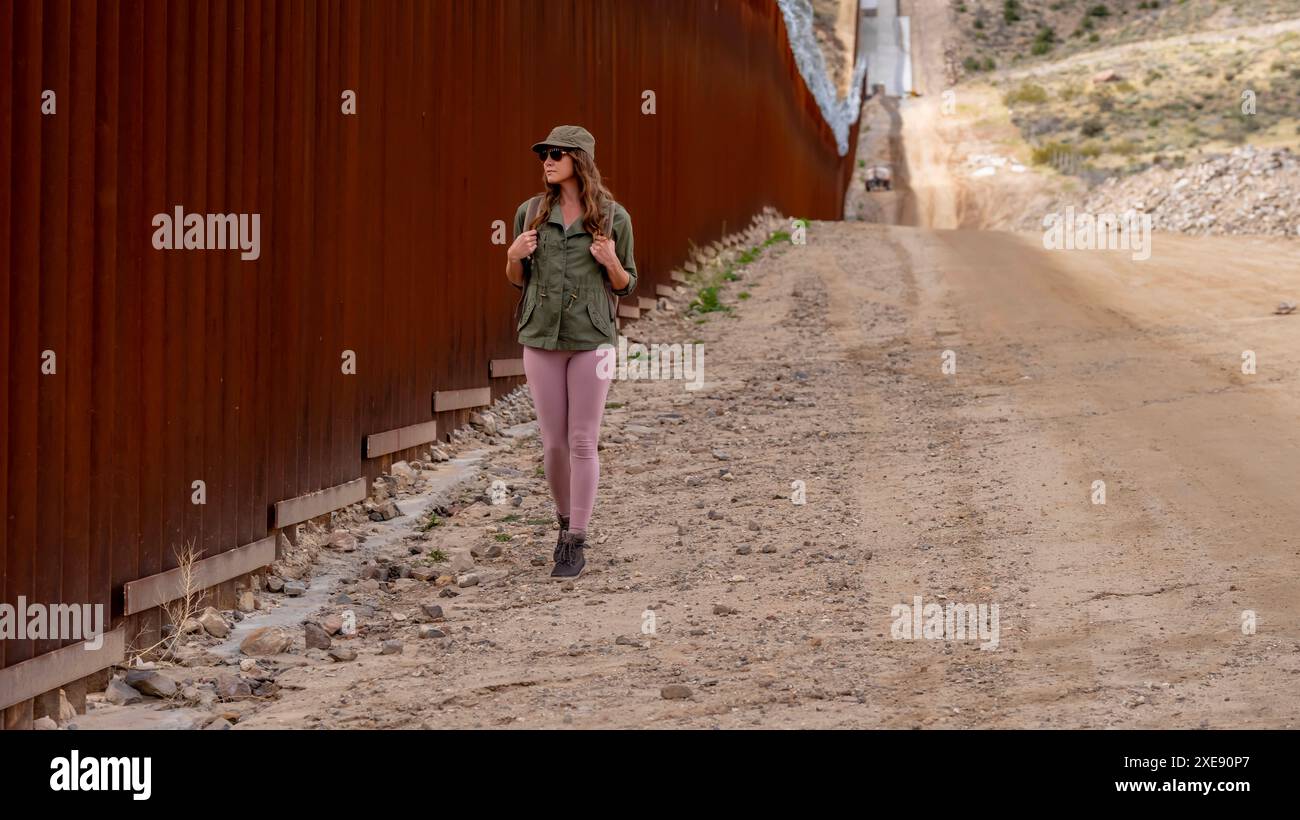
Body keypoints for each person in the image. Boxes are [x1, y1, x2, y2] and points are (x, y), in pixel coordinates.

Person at [504, 125, 637, 579]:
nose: (547, 159)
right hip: (540, 337)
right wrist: (513, 254)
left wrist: (611, 261)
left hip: (592, 340)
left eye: (557, 153)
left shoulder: (613, 216)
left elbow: (626, 282)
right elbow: (517, 279)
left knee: (582, 440)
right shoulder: (530, 213)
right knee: (553, 443)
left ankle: (576, 539)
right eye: (544, 153)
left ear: (579, 160)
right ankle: (563, 521)